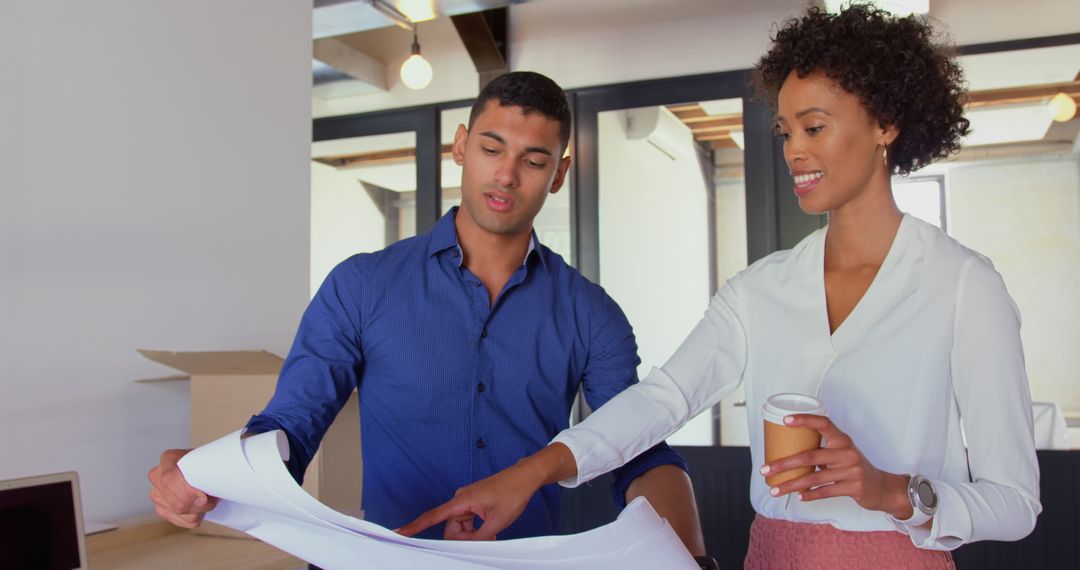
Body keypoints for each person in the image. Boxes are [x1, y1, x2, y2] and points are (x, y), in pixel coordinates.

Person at [400, 6, 1042, 568]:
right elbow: (662, 399)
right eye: (786, 131)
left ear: (886, 124)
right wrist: (528, 475)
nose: (794, 151)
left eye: (814, 127)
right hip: (770, 556)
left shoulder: (963, 287)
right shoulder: (760, 290)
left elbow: (1014, 504)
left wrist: (892, 492)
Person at [147, 71, 707, 556]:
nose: (507, 176)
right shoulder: (362, 285)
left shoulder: (592, 314)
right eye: (492, 149)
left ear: (558, 174)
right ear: (461, 145)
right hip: (387, 557)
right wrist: (206, 474)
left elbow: (635, 450)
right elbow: (291, 426)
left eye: (533, 161)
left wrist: (691, 558)